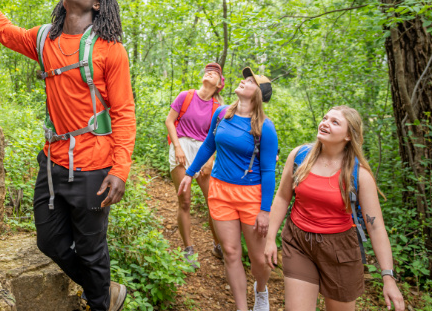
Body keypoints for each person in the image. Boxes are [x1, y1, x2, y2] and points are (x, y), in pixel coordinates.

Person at [0, 0, 135, 311]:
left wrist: (120, 170)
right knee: (49, 241)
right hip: (54, 162)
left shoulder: (110, 50)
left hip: (94, 168)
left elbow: (123, 113)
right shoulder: (45, 38)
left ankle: (99, 303)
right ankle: (104, 290)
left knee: (91, 249)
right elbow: (5, 31)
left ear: (97, 4)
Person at [264, 106, 405, 311]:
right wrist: (270, 239)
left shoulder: (359, 174)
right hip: (298, 242)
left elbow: (375, 227)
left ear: (349, 135)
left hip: (340, 250)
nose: (325, 123)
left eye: (335, 122)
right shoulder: (300, 157)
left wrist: (388, 276)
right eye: (325, 118)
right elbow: (283, 197)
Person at [179, 67, 277, 311]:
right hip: (220, 192)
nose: (244, 81)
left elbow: (268, 172)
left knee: (257, 259)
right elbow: (208, 145)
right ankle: (242, 307)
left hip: (251, 197)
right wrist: (190, 174)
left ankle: (261, 290)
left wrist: (265, 210)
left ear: (259, 94)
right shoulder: (222, 113)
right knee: (231, 252)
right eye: (245, 78)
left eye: (251, 81)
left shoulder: (266, 128)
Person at [165, 63, 225, 263]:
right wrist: (177, 147)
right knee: (185, 201)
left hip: (204, 151)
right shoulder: (186, 96)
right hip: (181, 144)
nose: (210, 72)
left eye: (215, 73)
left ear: (219, 84)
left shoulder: (218, 108)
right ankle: (188, 248)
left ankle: (218, 246)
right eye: (208, 70)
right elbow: (169, 121)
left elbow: (217, 136)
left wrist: (210, 159)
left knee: (213, 202)